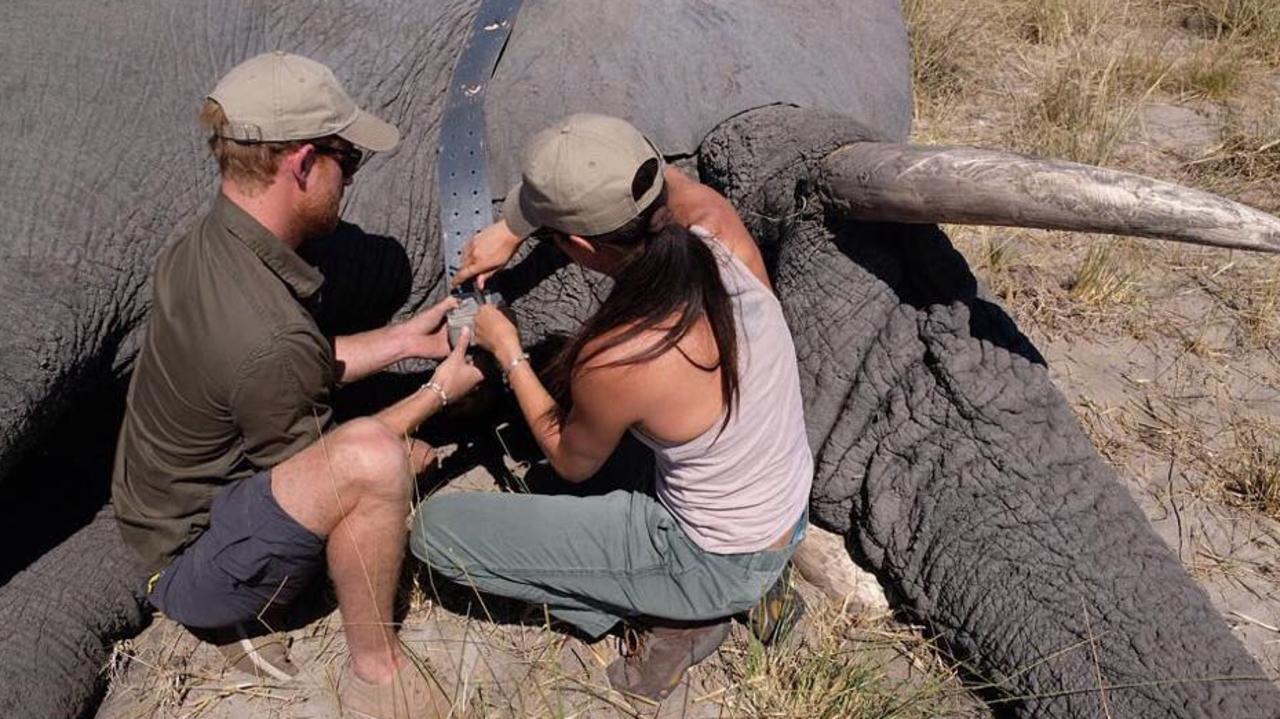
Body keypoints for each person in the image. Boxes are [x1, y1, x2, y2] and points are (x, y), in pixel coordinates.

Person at [111, 52, 482, 719]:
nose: (349, 181)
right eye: (348, 160)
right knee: (380, 462)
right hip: (193, 562)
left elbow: (287, 361)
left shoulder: (206, 247)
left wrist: (403, 342)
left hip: (159, 509)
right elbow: (332, 462)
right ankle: (376, 671)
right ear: (303, 163)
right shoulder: (266, 334)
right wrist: (439, 394)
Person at [410, 114, 813, 701]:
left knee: (435, 533)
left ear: (578, 246)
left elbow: (571, 461)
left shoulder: (624, 356)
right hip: (783, 515)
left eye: (550, 235)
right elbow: (650, 174)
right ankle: (735, 589)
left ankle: (680, 615)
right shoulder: (717, 226)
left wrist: (509, 351)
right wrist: (513, 227)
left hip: (708, 556)